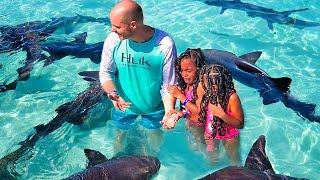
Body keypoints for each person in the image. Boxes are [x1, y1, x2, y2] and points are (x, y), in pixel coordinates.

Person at [99, 0, 177, 155]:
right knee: (120, 136)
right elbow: (105, 72)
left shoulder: (164, 44)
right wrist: (112, 93)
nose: (112, 30)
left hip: (154, 108)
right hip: (123, 106)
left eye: (117, 26)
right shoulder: (113, 39)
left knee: (154, 140)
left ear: (133, 25)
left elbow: (169, 84)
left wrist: (169, 111)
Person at [167, 49, 244, 165]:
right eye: (207, 84)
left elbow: (239, 124)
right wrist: (178, 113)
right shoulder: (204, 91)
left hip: (229, 135)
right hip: (211, 133)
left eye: (214, 83)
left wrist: (222, 114)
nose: (211, 88)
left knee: (234, 162)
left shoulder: (230, 97)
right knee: (211, 160)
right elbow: (202, 115)